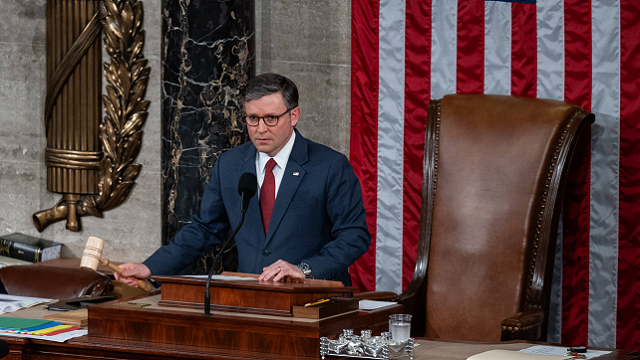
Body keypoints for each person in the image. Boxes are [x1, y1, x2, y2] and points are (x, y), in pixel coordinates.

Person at [116, 73, 371, 287]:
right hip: (251, 298)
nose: (260, 129)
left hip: (314, 299)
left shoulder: (329, 166)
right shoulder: (230, 165)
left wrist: (304, 269)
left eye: (271, 118)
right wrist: (149, 267)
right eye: (252, 118)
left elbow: (354, 235)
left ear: (294, 116)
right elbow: (205, 229)